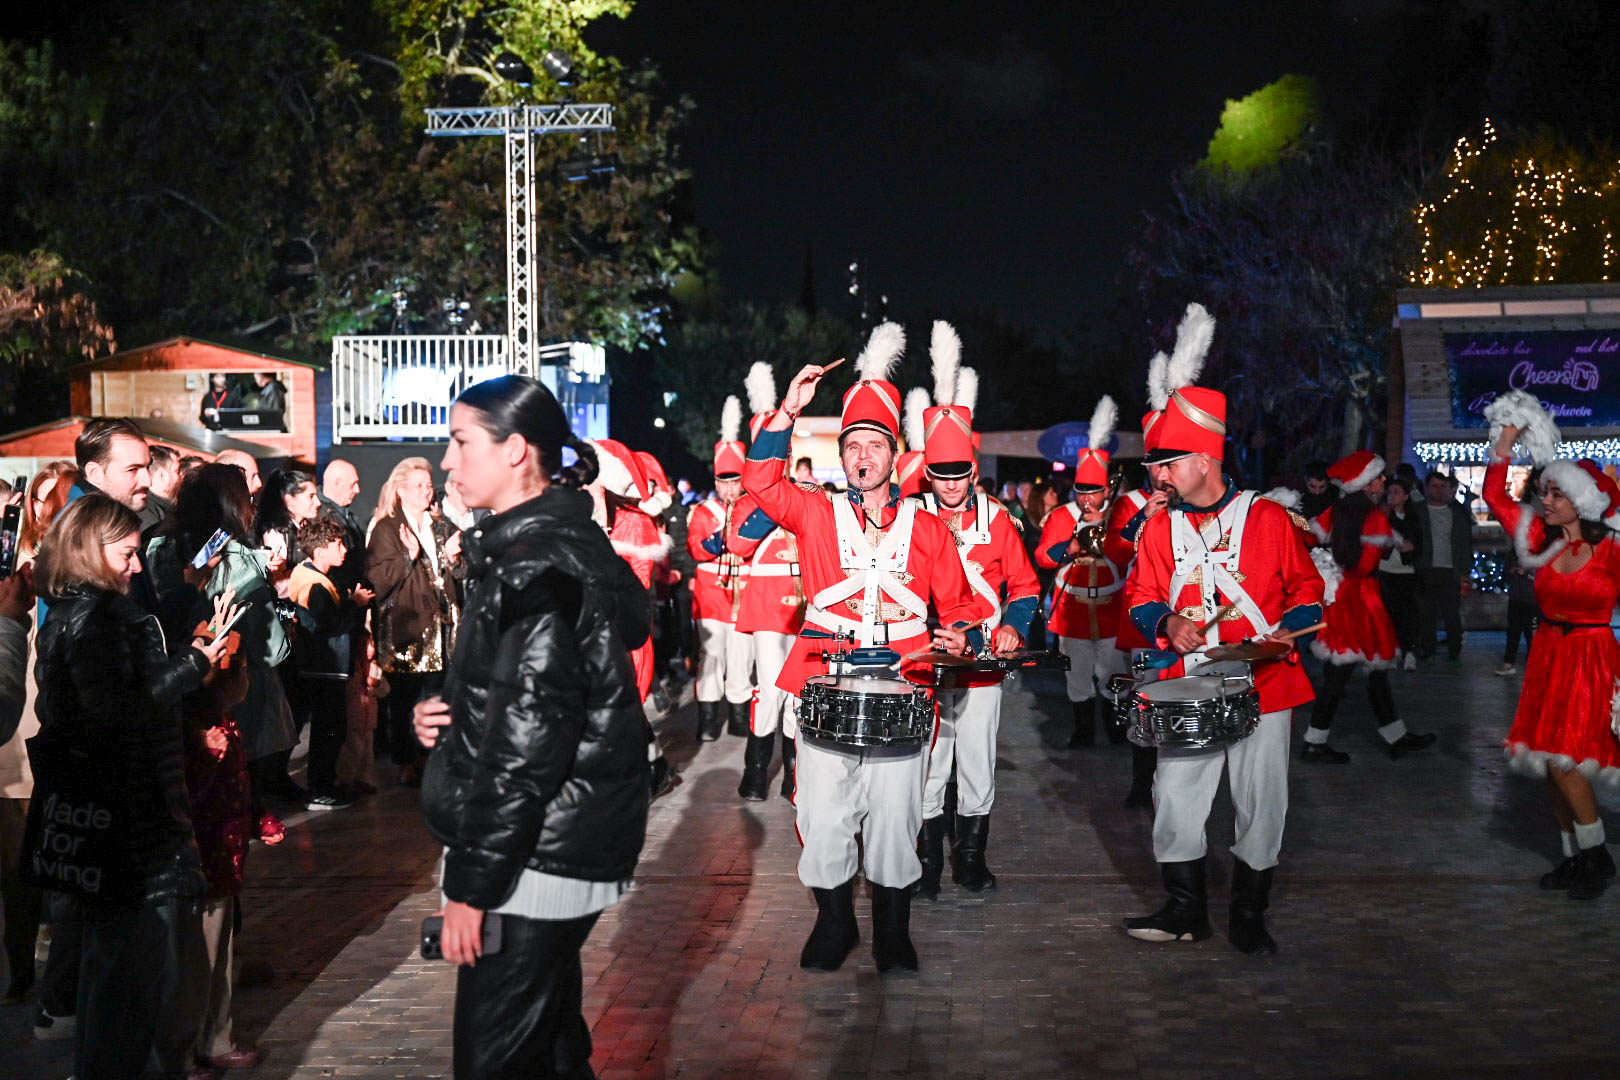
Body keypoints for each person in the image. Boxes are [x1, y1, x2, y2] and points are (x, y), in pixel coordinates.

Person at [412, 375, 649, 1080]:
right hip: (552, 843)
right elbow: (530, 698)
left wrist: (471, 891)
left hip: (535, 858)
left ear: (516, 450)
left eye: (460, 442)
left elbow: (526, 753)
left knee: (497, 1061)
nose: (448, 463)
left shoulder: (538, 562)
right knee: (548, 1044)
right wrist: (452, 720)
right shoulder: (556, 541)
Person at [743, 324, 982, 974]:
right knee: (822, 812)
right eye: (852, 444)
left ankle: (893, 931)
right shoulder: (816, 513)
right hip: (822, 679)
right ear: (842, 454)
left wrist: (960, 632)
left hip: (906, 684)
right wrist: (788, 411)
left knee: (897, 815)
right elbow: (760, 485)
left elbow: (960, 606)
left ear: (893, 455)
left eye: (874, 443)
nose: (862, 455)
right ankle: (834, 922)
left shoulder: (928, 528)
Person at [1121, 318, 1323, 955]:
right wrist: (1166, 623)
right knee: (1176, 795)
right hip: (1190, 684)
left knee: (1262, 802)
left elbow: (1307, 594)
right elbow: (1139, 598)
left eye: (1167, 462)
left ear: (1203, 460)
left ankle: (1249, 913)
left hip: (1264, 681)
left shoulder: (1266, 519)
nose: (1157, 474)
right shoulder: (1157, 529)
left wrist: (1281, 637)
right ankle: (1186, 910)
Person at [25, 494, 234, 1080]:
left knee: (117, 977)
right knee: (143, 983)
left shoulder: (72, 614)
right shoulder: (100, 621)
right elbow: (117, 716)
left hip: (114, 823)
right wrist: (193, 664)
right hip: (133, 827)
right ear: (92, 552)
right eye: (128, 553)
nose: (137, 566)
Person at [912, 333, 1039, 898]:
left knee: (977, 763)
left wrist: (1013, 623)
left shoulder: (1001, 519)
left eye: (960, 472)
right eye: (941, 474)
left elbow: (1028, 586)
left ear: (973, 468)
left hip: (984, 660)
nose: (952, 484)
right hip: (926, 660)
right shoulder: (908, 520)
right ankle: (927, 863)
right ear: (927, 473)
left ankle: (969, 859)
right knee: (929, 762)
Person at [1484, 400, 1620, 899]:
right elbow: (1494, 495)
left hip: (1591, 657)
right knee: (1548, 762)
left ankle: (1596, 855)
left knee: (1567, 760)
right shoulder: (1539, 539)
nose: (1546, 500)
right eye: (1545, 491)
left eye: (1558, 494)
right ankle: (1573, 858)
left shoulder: (1612, 549)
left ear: (1583, 502)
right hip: (1547, 654)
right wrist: (1506, 441)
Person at [149, 464, 297, 844]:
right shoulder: (236, 557)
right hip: (228, 700)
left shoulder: (156, 546)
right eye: (247, 498)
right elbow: (273, 648)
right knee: (222, 831)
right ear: (232, 504)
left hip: (174, 693)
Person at [1301, 452, 1437, 763]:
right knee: (1344, 674)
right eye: (1377, 477)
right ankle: (1314, 741)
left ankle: (1395, 736)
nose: (1384, 481)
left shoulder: (1336, 512)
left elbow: (1308, 537)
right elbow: (1364, 567)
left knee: (1367, 673)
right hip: (1362, 601)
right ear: (1364, 485)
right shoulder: (1374, 519)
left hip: (1342, 598)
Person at [727, 364, 808, 802]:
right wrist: (769, 501)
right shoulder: (745, 502)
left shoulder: (805, 493)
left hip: (801, 605)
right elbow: (737, 543)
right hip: (764, 608)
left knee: (798, 688)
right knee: (770, 686)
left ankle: (794, 773)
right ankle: (756, 770)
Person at [1037, 398, 1131, 749]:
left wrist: (1106, 535)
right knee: (1076, 674)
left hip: (1110, 610)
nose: (1087, 498)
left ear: (1107, 489)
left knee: (1112, 673)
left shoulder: (1118, 514)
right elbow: (1043, 556)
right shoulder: (1061, 517)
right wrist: (1070, 548)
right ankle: (1083, 730)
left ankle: (1115, 728)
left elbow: (1128, 554)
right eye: (1081, 491)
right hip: (1073, 610)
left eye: (1094, 491)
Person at [367, 457, 461, 787]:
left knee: (437, 697)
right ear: (401, 491)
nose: (426, 491)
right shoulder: (387, 528)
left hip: (441, 629)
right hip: (406, 629)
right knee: (404, 700)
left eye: (427, 484)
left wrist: (454, 557)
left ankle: (431, 760)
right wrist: (409, 555)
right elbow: (378, 581)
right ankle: (405, 760)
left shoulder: (441, 524)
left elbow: (460, 573)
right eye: (418, 486)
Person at [288, 515, 374, 809]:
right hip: (323, 668)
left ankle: (325, 784)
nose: (344, 550)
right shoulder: (315, 585)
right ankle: (320, 788)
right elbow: (328, 624)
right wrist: (355, 603)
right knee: (329, 730)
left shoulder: (312, 577)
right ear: (320, 550)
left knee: (330, 728)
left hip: (323, 667)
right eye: (337, 544)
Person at [686, 398, 754, 741]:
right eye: (723, 481)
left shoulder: (752, 510)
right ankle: (708, 719)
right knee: (712, 657)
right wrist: (712, 542)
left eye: (734, 480)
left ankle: (739, 713)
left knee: (742, 657)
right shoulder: (702, 511)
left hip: (744, 598)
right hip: (712, 597)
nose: (729, 488)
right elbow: (695, 546)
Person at [0, 567, 36, 1005]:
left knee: (23, 880)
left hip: (28, 755)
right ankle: (22, 969)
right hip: (13, 764)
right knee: (17, 880)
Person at [1415, 469, 1473, 663]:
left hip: (1450, 570)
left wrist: (1464, 571)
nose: (1438, 490)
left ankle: (1454, 649)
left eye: (1442, 487)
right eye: (1435, 486)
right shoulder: (1418, 511)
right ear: (1427, 488)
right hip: (1425, 568)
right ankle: (1428, 647)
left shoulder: (1455, 512)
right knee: (1426, 613)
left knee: (1451, 613)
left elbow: (1465, 542)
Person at [1378, 475, 1421, 671]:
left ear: (1405, 497)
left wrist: (1412, 547)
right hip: (1385, 570)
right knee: (1389, 614)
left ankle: (1409, 652)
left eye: (1396, 492)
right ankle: (1392, 652)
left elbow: (1420, 543)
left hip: (1407, 571)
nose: (1391, 496)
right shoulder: (1383, 515)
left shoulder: (1413, 517)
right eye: (1390, 492)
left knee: (1407, 614)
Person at [318, 458, 368, 592]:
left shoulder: (347, 514)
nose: (357, 490)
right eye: (353, 484)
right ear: (337, 483)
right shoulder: (319, 517)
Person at [141, 444, 181, 531]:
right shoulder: (146, 513)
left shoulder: (171, 506)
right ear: (161, 475)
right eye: (176, 471)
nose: (180, 477)